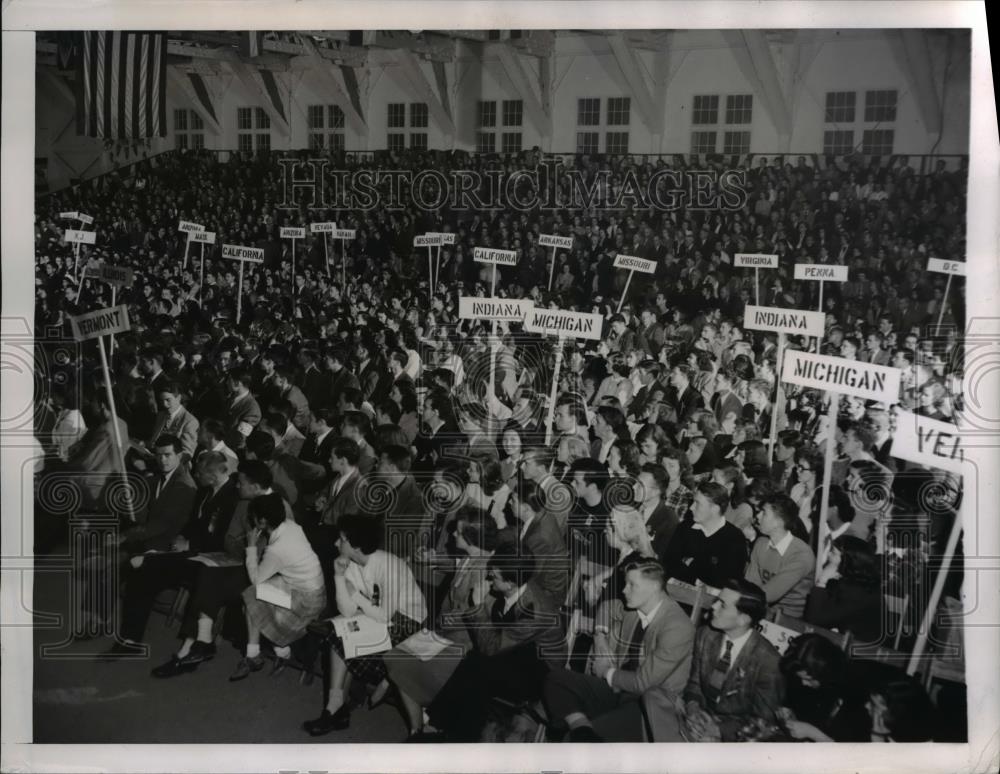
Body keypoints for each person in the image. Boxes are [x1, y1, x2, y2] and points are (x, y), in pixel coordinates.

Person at [424, 545, 566, 742]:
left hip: (541, 671)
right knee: (474, 661)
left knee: (480, 668)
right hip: (523, 650)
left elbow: (491, 648)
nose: (489, 578)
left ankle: (453, 732)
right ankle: (444, 725)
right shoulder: (516, 587)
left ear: (510, 583)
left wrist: (478, 606)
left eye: (494, 576)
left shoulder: (534, 610)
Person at [544, 559, 695, 742]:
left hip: (649, 706)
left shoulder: (677, 626)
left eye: (632, 585)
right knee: (556, 679)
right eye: (626, 584)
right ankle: (582, 728)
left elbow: (643, 683)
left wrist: (606, 671)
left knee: (572, 737)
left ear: (654, 587)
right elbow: (607, 606)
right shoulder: (635, 608)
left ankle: (579, 732)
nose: (624, 590)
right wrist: (600, 638)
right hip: (619, 690)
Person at [304, 512, 427, 736]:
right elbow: (347, 610)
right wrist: (339, 577)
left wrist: (357, 597)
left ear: (354, 543)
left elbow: (385, 615)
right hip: (379, 618)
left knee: (339, 636)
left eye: (341, 539)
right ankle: (334, 709)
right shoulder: (349, 563)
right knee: (338, 633)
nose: (335, 543)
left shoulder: (388, 565)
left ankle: (336, 711)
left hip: (408, 624)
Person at [644, 578, 783, 742]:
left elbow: (764, 720)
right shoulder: (706, 635)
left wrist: (718, 730)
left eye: (722, 605)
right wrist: (693, 709)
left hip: (733, 732)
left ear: (743, 619)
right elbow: (694, 684)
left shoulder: (769, 660)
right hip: (700, 715)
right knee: (653, 695)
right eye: (717, 601)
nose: (713, 607)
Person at [230, 492, 327, 680]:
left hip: (306, 601)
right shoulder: (291, 526)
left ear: (263, 521)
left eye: (254, 517)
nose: (251, 520)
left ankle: (269, 653)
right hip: (310, 589)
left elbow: (256, 580)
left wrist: (250, 547)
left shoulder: (277, 550)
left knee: (250, 597)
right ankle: (264, 653)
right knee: (250, 601)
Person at [778, 633, 869, 742]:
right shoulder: (806, 682)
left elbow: (848, 752)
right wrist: (791, 716)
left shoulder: (854, 694)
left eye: (809, 679)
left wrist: (811, 732)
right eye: (800, 678)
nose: (804, 683)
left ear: (825, 674)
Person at [660, 481, 749, 588]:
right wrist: (697, 578)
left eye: (697, 503)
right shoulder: (686, 527)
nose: (691, 507)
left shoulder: (735, 539)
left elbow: (725, 582)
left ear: (715, 509)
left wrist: (689, 563)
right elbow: (668, 564)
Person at [744, 494, 816, 619]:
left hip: (790, 622)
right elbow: (750, 585)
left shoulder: (802, 555)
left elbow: (769, 594)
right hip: (761, 610)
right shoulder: (761, 543)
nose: (757, 516)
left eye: (764, 513)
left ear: (779, 522)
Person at [805, 534, 884, 644]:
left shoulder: (856, 592)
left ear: (848, 561)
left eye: (833, 552)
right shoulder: (858, 582)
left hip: (857, 655)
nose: (828, 555)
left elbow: (813, 620)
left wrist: (822, 580)